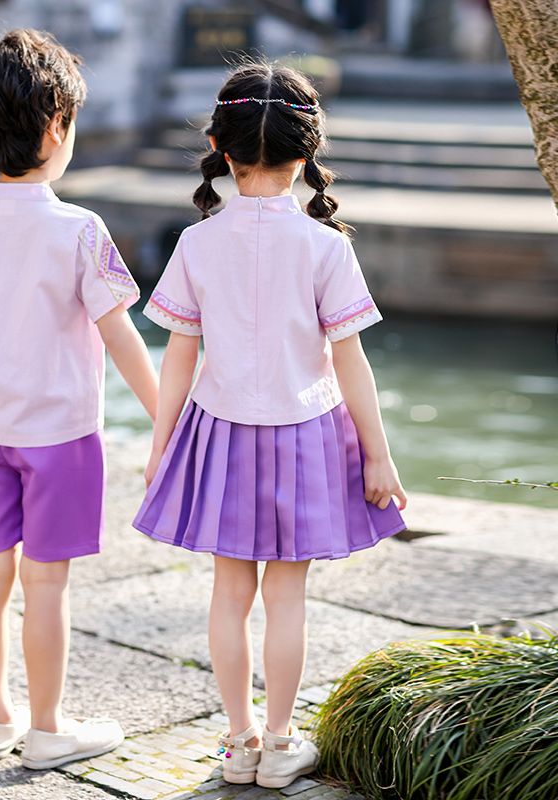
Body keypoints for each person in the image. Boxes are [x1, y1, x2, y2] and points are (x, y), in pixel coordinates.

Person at [133, 62, 407, 790]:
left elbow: (178, 357)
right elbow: (350, 366)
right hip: (305, 432)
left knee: (229, 594)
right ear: (307, 152)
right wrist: (378, 456)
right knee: (288, 597)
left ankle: (237, 743)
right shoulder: (326, 247)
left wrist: (161, 449)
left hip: (218, 433)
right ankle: (281, 743)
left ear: (221, 148)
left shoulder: (196, 244)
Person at [0, 29, 158, 769]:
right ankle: (48, 729)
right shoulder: (80, 231)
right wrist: (168, 419)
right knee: (46, 587)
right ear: (58, 126)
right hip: (61, 439)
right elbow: (122, 337)